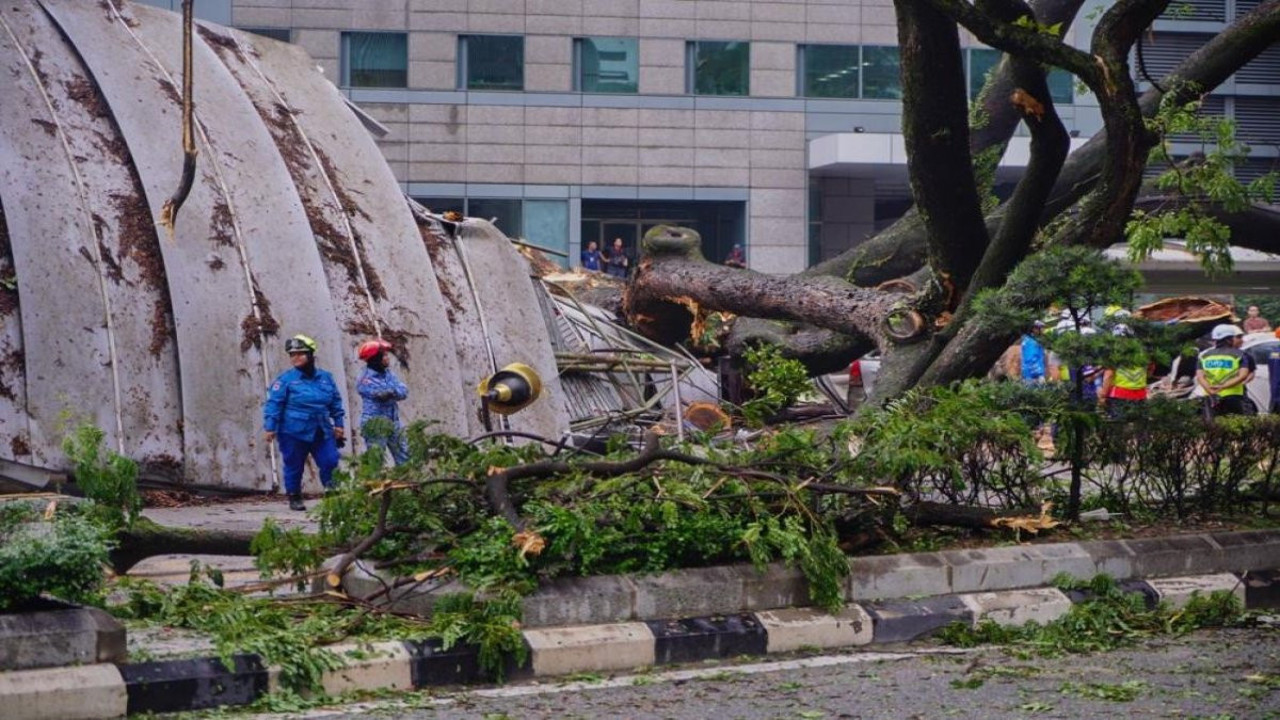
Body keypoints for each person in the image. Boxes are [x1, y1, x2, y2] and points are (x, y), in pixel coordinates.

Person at [263, 335, 346, 511]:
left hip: (321, 429)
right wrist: (270, 427)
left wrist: (339, 424)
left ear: (310, 355)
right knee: (294, 465)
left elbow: (335, 402)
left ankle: (333, 495)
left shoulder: (325, 378)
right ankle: (294, 496)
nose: (296, 358)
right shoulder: (285, 380)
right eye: (292, 355)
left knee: (330, 460)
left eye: (300, 353)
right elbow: (274, 404)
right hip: (293, 431)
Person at [356, 338, 409, 465]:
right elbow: (380, 394)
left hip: (393, 421)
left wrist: (392, 392)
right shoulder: (365, 379)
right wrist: (392, 391)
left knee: (406, 457)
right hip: (375, 424)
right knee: (376, 462)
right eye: (384, 355)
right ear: (375, 359)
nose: (387, 358)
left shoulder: (388, 374)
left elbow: (403, 391)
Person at [1197, 324, 1256, 418]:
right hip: (1234, 396)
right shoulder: (1240, 355)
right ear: (1229, 339)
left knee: (1213, 424)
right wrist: (1223, 386)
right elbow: (1243, 375)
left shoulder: (1204, 356)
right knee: (1236, 423)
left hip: (1210, 397)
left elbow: (1200, 377)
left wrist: (1210, 390)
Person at [1098, 325, 1149, 418]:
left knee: (1119, 424)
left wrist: (1103, 396)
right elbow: (1149, 369)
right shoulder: (1142, 353)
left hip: (1120, 395)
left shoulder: (1114, 354)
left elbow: (1109, 375)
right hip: (1141, 394)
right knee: (1139, 424)